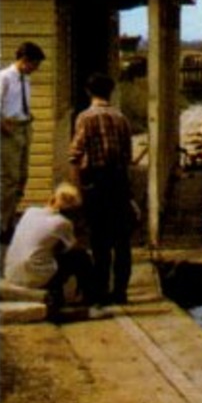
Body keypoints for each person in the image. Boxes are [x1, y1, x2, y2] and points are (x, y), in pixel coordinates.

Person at [68, 73, 135, 306]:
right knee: (122, 240)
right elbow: (128, 156)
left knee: (99, 239)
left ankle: (101, 291)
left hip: (94, 180)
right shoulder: (121, 118)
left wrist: (77, 188)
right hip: (118, 180)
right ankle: (121, 291)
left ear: (89, 92)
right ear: (111, 92)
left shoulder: (84, 118)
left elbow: (75, 155)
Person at [3, 183, 102, 321]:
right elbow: (73, 248)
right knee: (81, 258)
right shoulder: (62, 223)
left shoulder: (30, 211)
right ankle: (92, 301)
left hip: (11, 273)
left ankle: (67, 294)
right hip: (34, 276)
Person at [0, 41, 45, 243]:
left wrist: (27, 115)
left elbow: (18, 102)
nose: (36, 69)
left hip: (24, 127)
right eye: (35, 64)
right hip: (9, 129)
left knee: (22, 177)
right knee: (9, 179)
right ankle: (0, 225)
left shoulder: (25, 79)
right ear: (25, 61)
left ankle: (8, 220)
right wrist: (2, 123)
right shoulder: (4, 77)